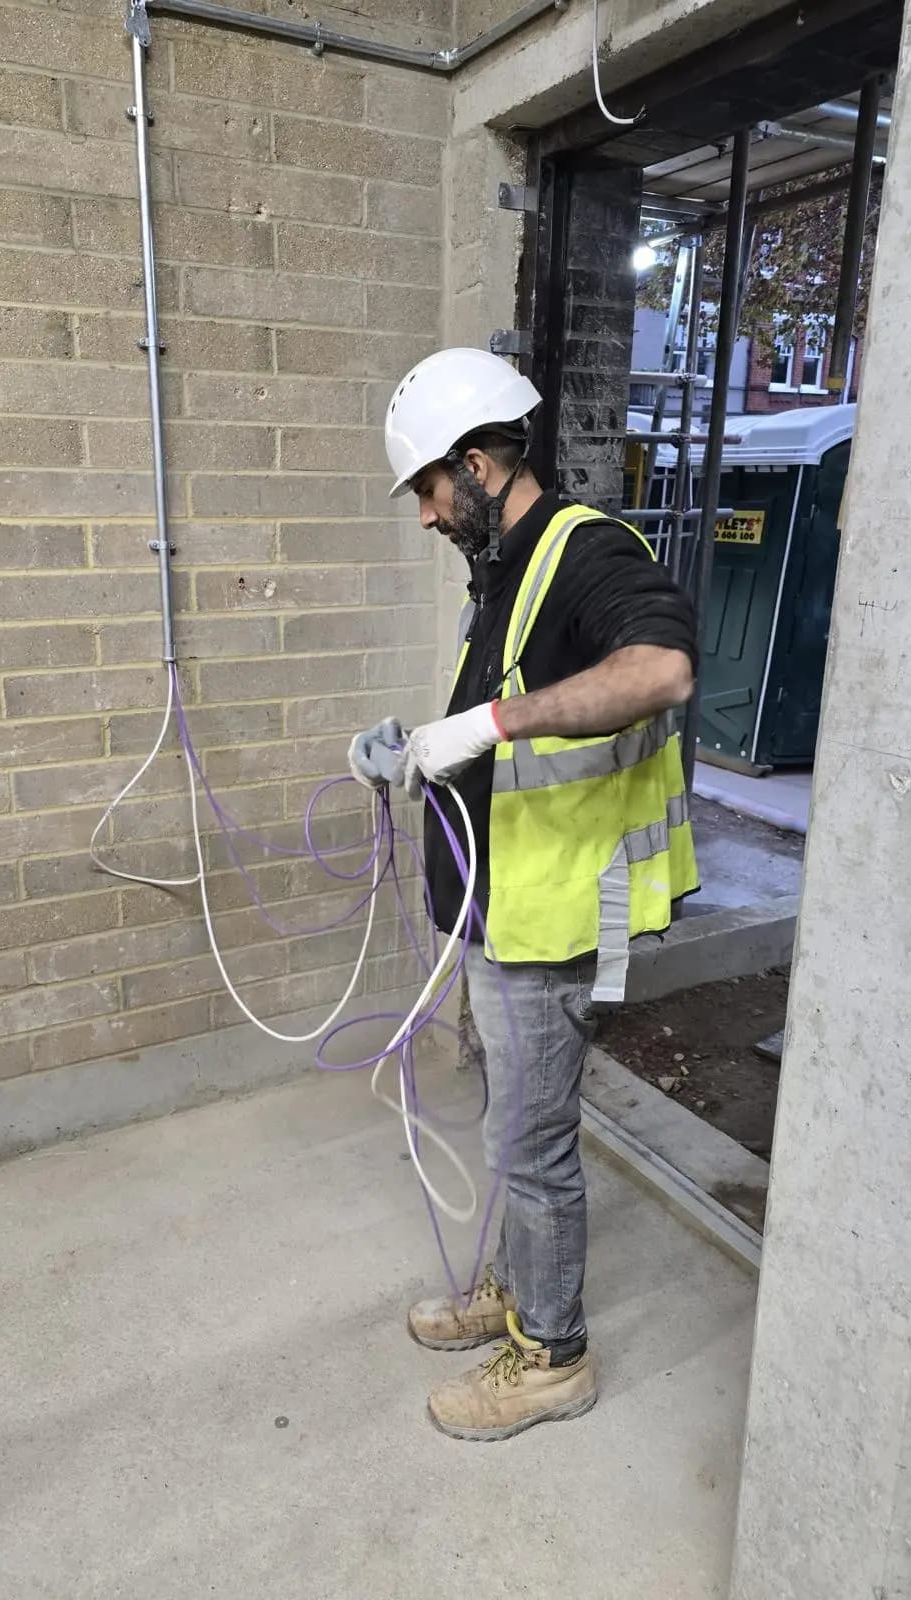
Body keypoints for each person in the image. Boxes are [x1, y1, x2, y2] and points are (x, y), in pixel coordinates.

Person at [347, 347, 700, 1442]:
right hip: (502, 907)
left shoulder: (589, 552)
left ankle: (552, 1354)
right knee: (512, 1124)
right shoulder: (504, 570)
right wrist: (418, 749)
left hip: (551, 917)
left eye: (428, 492)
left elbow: (661, 671)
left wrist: (487, 727)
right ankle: (518, 1289)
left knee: (533, 1143)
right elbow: (501, 715)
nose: (424, 517)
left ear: (478, 463)